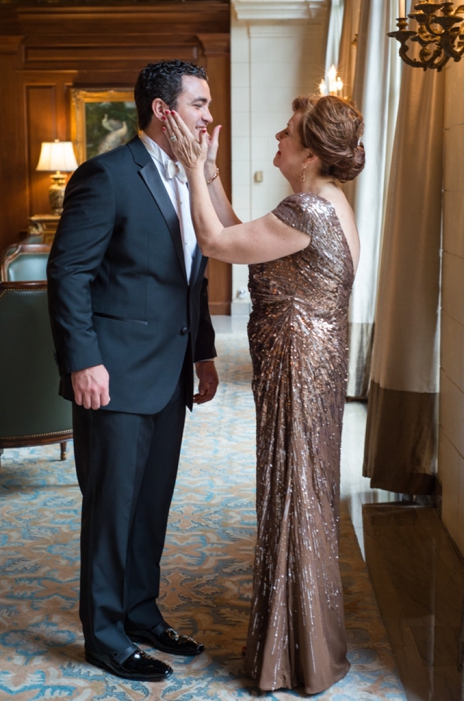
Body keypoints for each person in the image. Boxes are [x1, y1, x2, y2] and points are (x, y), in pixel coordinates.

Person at [165, 93, 364, 693]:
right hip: (309, 366)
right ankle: (303, 645)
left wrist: (194, 169)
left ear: (308, 153)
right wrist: (215, 175)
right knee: (300, 490)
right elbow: (241, 230)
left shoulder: (306, 209)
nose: (277, 138)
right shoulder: (324, 203)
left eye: (286, 133)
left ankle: (296, 657)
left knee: (294, 492)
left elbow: (216, 243)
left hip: (298, 370)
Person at [46, 60, 219, 682]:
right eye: (198, 105)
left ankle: (142, 613)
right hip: (112, 375)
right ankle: (106, 635)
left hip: (170, 372)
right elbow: (68, 274)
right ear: (162, 111)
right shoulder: (107, 176)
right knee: (112, 507)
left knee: (151, 503)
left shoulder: (191, 178)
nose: (208, 116)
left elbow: (191, 276)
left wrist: (202, 351)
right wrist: (84, 361)